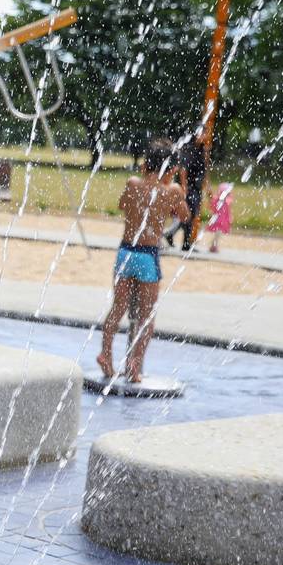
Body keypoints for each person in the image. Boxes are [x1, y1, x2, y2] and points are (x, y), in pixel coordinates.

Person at [97, 137, 190, 383]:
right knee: (146, 317)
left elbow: (123, 205)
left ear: (146, 164)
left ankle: (105, 354)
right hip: (148, 257)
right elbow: (184, 216)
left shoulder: (133, 183)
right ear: (170, 170)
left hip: (126, 252)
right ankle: (134, 367)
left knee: (118, 309)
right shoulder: (171, 191)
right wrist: (181, 183)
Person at [164, 138, 206, 250]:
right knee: (188, 215)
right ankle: (183, 241)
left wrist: (207, 187)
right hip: (189, 187)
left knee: (191, 215)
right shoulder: (189, 149)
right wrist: (184, 187)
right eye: (203, 132)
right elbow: (183, 170)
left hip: (196, 188)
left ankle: (179, 238)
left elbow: (204, 171)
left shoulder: (201, 150)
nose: (205, 135)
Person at [207, 182, 234, 252]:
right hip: (218, 220)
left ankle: (214, 245)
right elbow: (212, 207)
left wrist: (230, 218)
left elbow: (227, 212)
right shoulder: (218, 200)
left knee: (218, 234)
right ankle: (213, 246)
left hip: (221, 220)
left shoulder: (226, 201)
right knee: (218, 233)